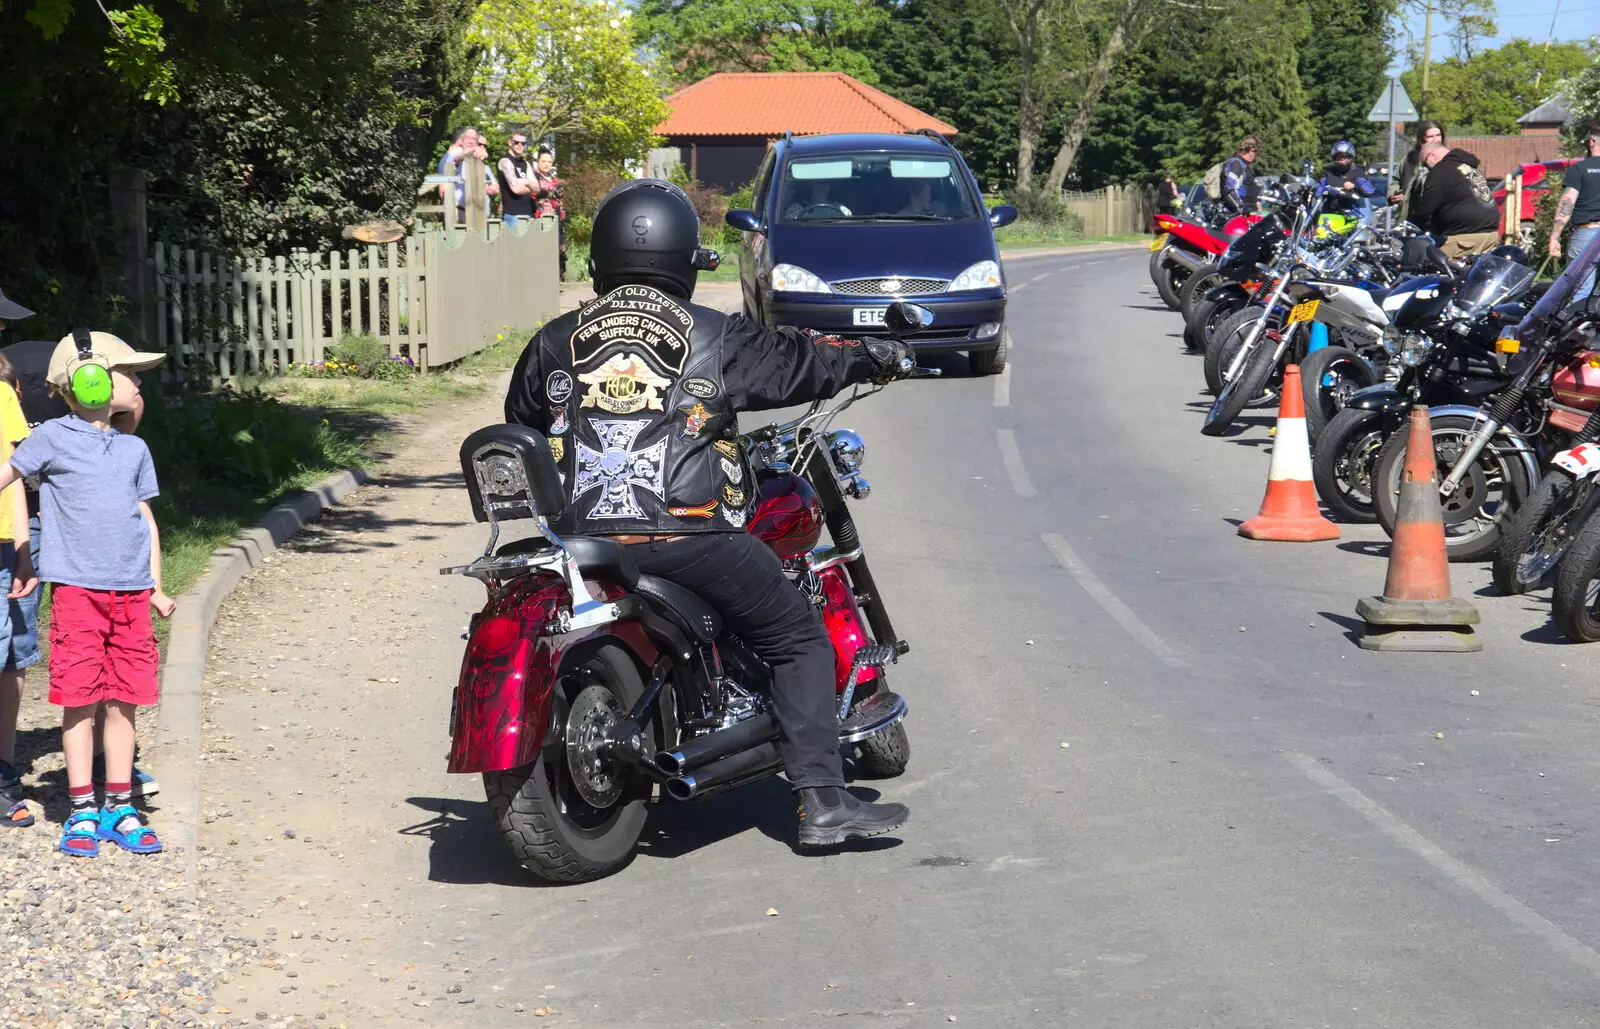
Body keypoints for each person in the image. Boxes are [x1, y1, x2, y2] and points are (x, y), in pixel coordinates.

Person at [504, 180, 913, 847]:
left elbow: (520, 419)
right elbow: (797, 365)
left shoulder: (553, 339)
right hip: (684, 533)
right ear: (684, 258)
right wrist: (868, 355)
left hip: (579, 542)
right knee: (797, 635)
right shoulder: (713, 334)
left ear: (602, 257)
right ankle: (823, 800)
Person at [0, 331, 175, 857]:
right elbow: (7, 474)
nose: (138, 380)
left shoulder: (135, 448)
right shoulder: (50, 438)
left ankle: (120, 803)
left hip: (131, 593)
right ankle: (81, 806)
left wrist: (157, 586)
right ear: (89, 377)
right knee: (79, 698)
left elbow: (143, 521)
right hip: (78, 593)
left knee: (126, 698)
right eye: (129, 372)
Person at [0, 352, 36, 827]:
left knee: (7, 655)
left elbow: (14, 479)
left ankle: (3, 772)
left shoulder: (2, 395)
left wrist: (24, 550)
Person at [1410, 143, 1501, 259]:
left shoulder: (1441, 169)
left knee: (1430, 267)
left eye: (1425, 164)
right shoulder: (1469, 166)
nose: (1428, 168)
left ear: (1432, 156)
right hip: (1491, 235)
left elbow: (1426, 207)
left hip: (1465, 237)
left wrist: (1412, 221)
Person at [1549, 126, 1600, 305]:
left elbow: (1567, 203)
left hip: (1585, 236)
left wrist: (1555, 237)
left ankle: (1577, 331)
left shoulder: (1579, 169)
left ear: (1591, 142)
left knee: (1580, 290)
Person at [437, 127, 498, 227]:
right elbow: (457, 157)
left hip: (474, 215)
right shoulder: (453, 154)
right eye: (468, 138)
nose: (471, 141)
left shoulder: (474, 161)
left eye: (474, 139)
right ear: (460, 140)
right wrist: (473, 149)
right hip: (458, 215)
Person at [1392, 121, 1446, 216]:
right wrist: (1394, 194)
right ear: (1421, 140)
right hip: (1409, 216)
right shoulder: (1409, 159)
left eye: (1438, 135)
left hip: (1437, 217)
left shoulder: (1448, 159)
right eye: (1430, 137)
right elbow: (1396, 179)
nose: (1435, 140)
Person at [530, 146, 567, 279]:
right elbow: (532, 196)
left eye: (549, 162)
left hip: (555, 220)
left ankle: (552, 279)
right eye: (544, 161)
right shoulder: (533, 178)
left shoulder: (553, 179)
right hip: (538, 219)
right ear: (538, 162)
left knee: (554, 252)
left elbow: (560, 201)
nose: (546, 164)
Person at [496, 134, 537, 230]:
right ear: (510, 143)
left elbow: (537, 188)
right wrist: (530, 184)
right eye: (516, 142)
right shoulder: (505, 161)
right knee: (515, 245)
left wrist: (523, 181)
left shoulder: (525, 163)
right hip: (513, 215)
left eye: (523, 143)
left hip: (529, 213)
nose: (520, 145)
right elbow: (516, 189)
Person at [1320, 141, 1375, 213]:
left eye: (1345, 157)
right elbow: (1318, 189)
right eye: (1339, 157)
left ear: (1350, 158)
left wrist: (1354, 186)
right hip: (1328, 215)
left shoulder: (1357, 173)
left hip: (1350, 215)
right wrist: (1327, 190)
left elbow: (1369, 191)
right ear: (1335, 158)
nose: (1342, 160)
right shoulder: (1328, 172)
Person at [1219, 136, 1261, 215]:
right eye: (1253, 151)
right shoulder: (1236, 163)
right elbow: (1229, 188)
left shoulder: (1245, 166)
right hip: (1238, 214)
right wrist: (1241, 208)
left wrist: (1257, 201)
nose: (1255, 155)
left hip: (1249, 213)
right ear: (1246, 149)